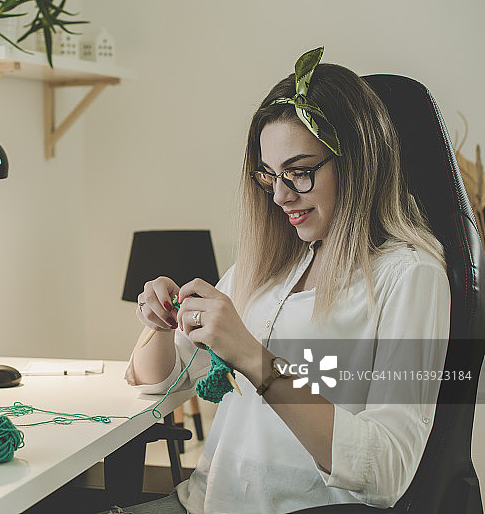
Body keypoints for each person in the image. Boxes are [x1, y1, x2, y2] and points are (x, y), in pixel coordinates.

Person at [120, 47, 451, 514]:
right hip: (200, 503)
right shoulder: (271, 266)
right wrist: (157, 320)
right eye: (270, 175)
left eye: (299, 172)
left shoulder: (410, 275)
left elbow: (387, 472)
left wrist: (255, 359)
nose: (279, 194)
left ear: (357, 161)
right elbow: (158, 384)